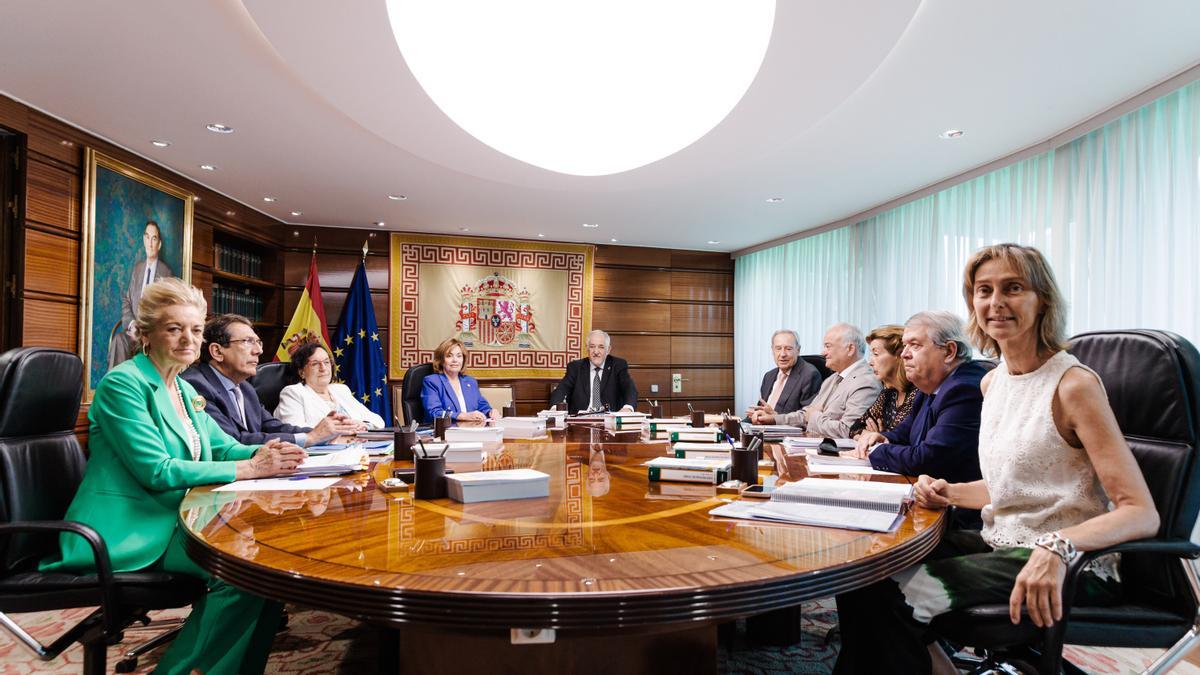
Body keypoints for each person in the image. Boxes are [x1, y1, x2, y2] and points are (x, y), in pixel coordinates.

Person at [833, 243, 1159, 675]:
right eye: (983, 290)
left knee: (896, 600)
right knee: (860, 574)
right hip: (1000, 540)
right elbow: (1011, 488)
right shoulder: (994, 383)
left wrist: (1056, 546)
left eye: (1013, 288)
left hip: (1074, 564)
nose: (995, 302)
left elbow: (1141, 514)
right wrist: (949, 492)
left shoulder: (1072, 384)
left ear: (1041, 300)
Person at [42, 278, 307, 675]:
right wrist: (252, 467)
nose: (188, 339)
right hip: (129, 530)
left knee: (270, 574)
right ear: (146, 334)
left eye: (196, 330)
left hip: (178, 518)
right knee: (243, 574)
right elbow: (157, 470)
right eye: (174, 329)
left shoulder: (182, 387)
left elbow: (220, 446)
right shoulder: (123, 385)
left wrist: (267, 451)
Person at [851, 311, 987, 484]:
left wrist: (877, 450)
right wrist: (885, 437)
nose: (904, 354)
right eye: (904, 346)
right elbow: (906, 432)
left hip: (955, 506)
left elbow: (928, 459)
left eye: (914, 345)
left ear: (949, 351)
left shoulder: (964, 390)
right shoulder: (929, 387)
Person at [183, 314, 359, 446]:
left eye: (258, 342)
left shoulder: (244, 388)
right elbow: (233, 441)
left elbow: (272, 427)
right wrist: (311, 437)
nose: (258, 351)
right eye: (247, 341)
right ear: (217, 352)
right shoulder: (196, 386)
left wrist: (326, 432)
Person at [747, 323, 880, 438]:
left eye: (828, 346)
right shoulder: (832, 379)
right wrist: (773, 419)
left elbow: (848, 430)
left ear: (850, 349)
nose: (823, 353)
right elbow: (805, 415)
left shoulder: (866, 382)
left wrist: (814, 416)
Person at [107, 220, 173, 371]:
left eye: (154, 238)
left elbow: (167, 309)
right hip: (134, 330)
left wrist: (146, 329)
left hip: (152, 335)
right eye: (147, 237)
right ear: (144, 240)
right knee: (119, 340)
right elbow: (127, 300)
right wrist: (132, 324)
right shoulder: (137, 269)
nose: (150, 243)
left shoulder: (166, 272)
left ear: (159, 244)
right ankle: (114, 389)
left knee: (133, 346)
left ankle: (127, 389)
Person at [275, 341, 385, 429]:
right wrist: (343, 429)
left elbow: (378, 420)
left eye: (326, 362)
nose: (323, 368)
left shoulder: (340, 390)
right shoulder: (293, 393)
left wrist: (364, 425)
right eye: (315, 364)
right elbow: (294, 430)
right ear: (301, 372)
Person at [848, 324, 916, 438]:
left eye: (876, 354)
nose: (870, 362)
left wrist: (879, 435)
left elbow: (903, 437)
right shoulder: (888, 394)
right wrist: (872, 436)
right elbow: (855, 428)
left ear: (899, 355)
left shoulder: (918, 394)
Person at [549, 329, 638, 413]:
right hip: (581, 422)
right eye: (592, 346)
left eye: (601, 347)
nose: (596, 351)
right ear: (587, 348)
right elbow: (561, 390)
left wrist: (628, 408)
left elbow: (629, 388)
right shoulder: (575, 367)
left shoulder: (618, 365)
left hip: (609, 421)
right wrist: (555, 409)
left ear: (608, 350)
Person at [421, 337, 502, 423]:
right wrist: (463, 415)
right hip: (446, 432)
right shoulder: (432, 381)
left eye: (459, 356)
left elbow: (482, 406)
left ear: (463, 360)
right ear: (441, 360)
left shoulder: (470, 382)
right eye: (449, 356)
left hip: (472, 430)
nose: (455, 360)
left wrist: (491, 412)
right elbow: (434, 412)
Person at [746, 329, 822, 419]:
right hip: (763, 429)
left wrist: (776, 417)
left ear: (798, 350)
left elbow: (807, 418)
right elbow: (760, 410)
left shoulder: (809, 375)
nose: (782, 354)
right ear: (772, 350)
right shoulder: (769, 376)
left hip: (786, 431)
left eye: (788, 349)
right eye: (778, 348)